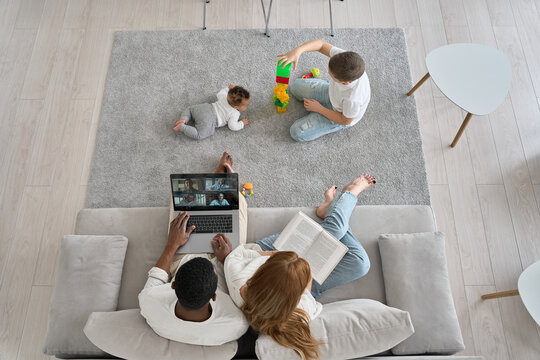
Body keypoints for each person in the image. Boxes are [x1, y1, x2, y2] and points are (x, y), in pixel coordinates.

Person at [222, 174, 375, 359]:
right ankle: (344, 198)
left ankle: (335, 208)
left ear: (262, 271)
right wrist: (303, 273)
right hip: (295, 281)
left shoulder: (239, 278)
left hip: (268, 254)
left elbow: (238, 254)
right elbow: (309, 292)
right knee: (360, 263)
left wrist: (274, 255)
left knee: (333, 231)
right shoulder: (302, 311)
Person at [138, 152, 250, 346]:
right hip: (223, 262)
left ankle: (214, 181)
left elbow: (157, 275)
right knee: (238, 204)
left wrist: (173, 243)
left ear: (172, 286)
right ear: (214, 296)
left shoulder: (149, 304)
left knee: (180, 208)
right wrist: (227, 259)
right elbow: (241, 288)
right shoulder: (237, 323)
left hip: (183, 259)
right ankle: (224, 182)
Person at [277, 39, 371, 142]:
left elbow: (345, 120)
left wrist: (319, 109)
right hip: (331, 93)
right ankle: (320, 107)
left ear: (345, 82)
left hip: (340, 114)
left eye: (332, 75)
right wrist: (298, 51)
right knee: (295, 86)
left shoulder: (353, 99)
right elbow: (321, 45)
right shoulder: (344, 59)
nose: (328, 72)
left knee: (296, 132)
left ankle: (321, 118)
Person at [173, 84, 251, 140]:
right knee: (199, 135)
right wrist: (241, 123)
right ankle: (182, 127)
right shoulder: (235, 113)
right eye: (245, 106)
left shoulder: (224, 97)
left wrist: (229, 88)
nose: (246, 107)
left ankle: (184, 119)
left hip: (206, 108)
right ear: (236, 107)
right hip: (211, 120)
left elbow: (220, 93)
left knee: (190, 109)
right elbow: (232, 126)